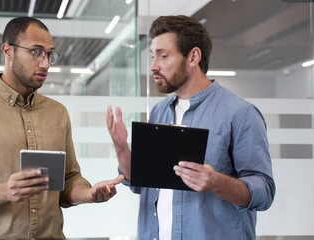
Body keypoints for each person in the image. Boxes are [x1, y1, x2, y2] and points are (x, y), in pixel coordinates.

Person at [0, 16, 124, 240]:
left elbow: (69, 179)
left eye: (49, 54)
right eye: (36, 52)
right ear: (8, 50)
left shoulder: (57, 113)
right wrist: (5, 191)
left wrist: (88, 193)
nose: (45, 63)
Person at [106, 15, 275, 240]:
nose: (153, 66)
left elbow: (264, 192)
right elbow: (141, 184)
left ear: (193, 57)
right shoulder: (159, 112)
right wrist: (121, 148)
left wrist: (217, 182)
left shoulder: (241, 114)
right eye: (152, 56)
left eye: (163, 56)